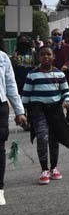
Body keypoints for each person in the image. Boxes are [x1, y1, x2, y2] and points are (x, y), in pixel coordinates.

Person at [21, 47, 69, 185]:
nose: (46, 57)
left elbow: (66, 91)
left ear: (53, 56)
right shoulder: (32, 75)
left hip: (55, 111)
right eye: (42, 55)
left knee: (54, 140)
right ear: (38, 57)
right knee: (42, 138)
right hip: (38, 111)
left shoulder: (59, 74)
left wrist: (67, 101)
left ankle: (54, 168)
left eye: (48, 54)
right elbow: (25, 96)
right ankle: (44, 169)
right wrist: (22, 113)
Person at [1, 47, 27, 205]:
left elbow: (11, 84)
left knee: (0, 147)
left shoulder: (2, 57)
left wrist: (19, 111)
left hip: (0, 106)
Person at [51, 28, 69, 128]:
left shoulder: (68, 47)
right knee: (57, 99)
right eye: (55, 34)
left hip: (67, 77)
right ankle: (60, 119)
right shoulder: (50, 49)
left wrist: (67, 65)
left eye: (59, 34)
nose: (57, 36)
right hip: (53, 78)